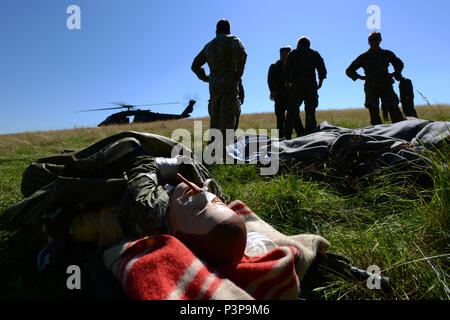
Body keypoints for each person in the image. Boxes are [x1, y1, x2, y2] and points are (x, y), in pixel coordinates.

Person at [191, 19, 247, 147]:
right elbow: (241, 54)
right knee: (228, 119)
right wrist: (239, 73)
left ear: (216, 30)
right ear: (228, 29)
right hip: (229, 86)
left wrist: (207, 78)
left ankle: (212, 152)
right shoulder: (232, 39)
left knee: (215, 120)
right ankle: (226, 154)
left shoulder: (208, 46)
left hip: (214, 88)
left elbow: (195, 65)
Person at [346, 31, 405, 126]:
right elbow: (349, 70)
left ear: (380, 39)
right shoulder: (364, 57)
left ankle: (401, 133)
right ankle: (378, 136)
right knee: (374, 115)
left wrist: (396, 73)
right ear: (368, 42)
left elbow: (399, 63)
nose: (374, 41)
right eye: (371, 39)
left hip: (387, 86)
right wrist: (360, 77)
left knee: (394, 111)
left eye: (376, 39)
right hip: (371, 88)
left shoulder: (387, 54)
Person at [284, 36, 327, 139]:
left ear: (298, 44)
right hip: (311, 86)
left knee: (291, 112)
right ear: (309, 44)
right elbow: (322, 69)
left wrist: (288, 84)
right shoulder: (314, 53)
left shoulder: (293, 54)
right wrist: (320, 83)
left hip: (297, 86)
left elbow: (286, 70)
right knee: (310, 111)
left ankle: (288, 137)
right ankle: (310, 137)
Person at [268, 46, 302, 139]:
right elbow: (270, 80)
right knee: (280, 119)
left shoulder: (294, 66)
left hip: (292, 96)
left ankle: (301, 136)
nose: (287, 56)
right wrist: (273, 91)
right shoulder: (274, 66)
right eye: (285, 54)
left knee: (295, 117)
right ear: (281, 54)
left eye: (288, 54)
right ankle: (278, 139)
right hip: (279, 96)